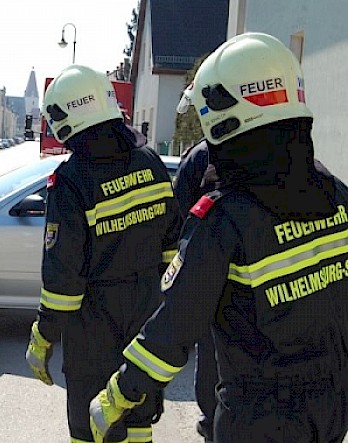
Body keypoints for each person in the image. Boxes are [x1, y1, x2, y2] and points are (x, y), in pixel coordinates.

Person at [90, 32, 348, 443]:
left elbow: (174, 326)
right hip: (334, 409)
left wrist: (121, 392)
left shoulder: (224, 219)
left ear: (228, 117)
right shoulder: (336, 194)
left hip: (259, 421)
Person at [24, 65, 182, 443]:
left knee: (90, 427)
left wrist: (42, 337)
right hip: (145, 316)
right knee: (138, 420)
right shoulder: (151, 164)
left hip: (92, 327)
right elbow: (172, 244)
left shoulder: (71, 181)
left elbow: (63, 282)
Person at [173, 141, 219, 442]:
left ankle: (212, 421)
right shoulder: (281, 147)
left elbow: (180, 215)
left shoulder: (200, 155)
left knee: (213, 352)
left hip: (213, 275)